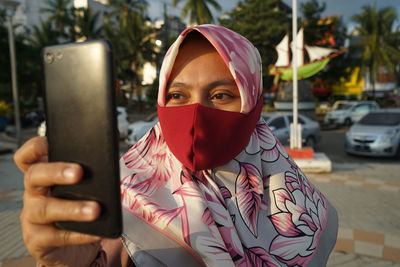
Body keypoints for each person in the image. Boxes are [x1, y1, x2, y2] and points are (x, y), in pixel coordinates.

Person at [15, 24, 338, 267]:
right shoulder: (123, 198)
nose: (195, 114)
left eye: (221, 95)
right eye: (178, 96)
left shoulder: (302, 207)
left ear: (253, 103)